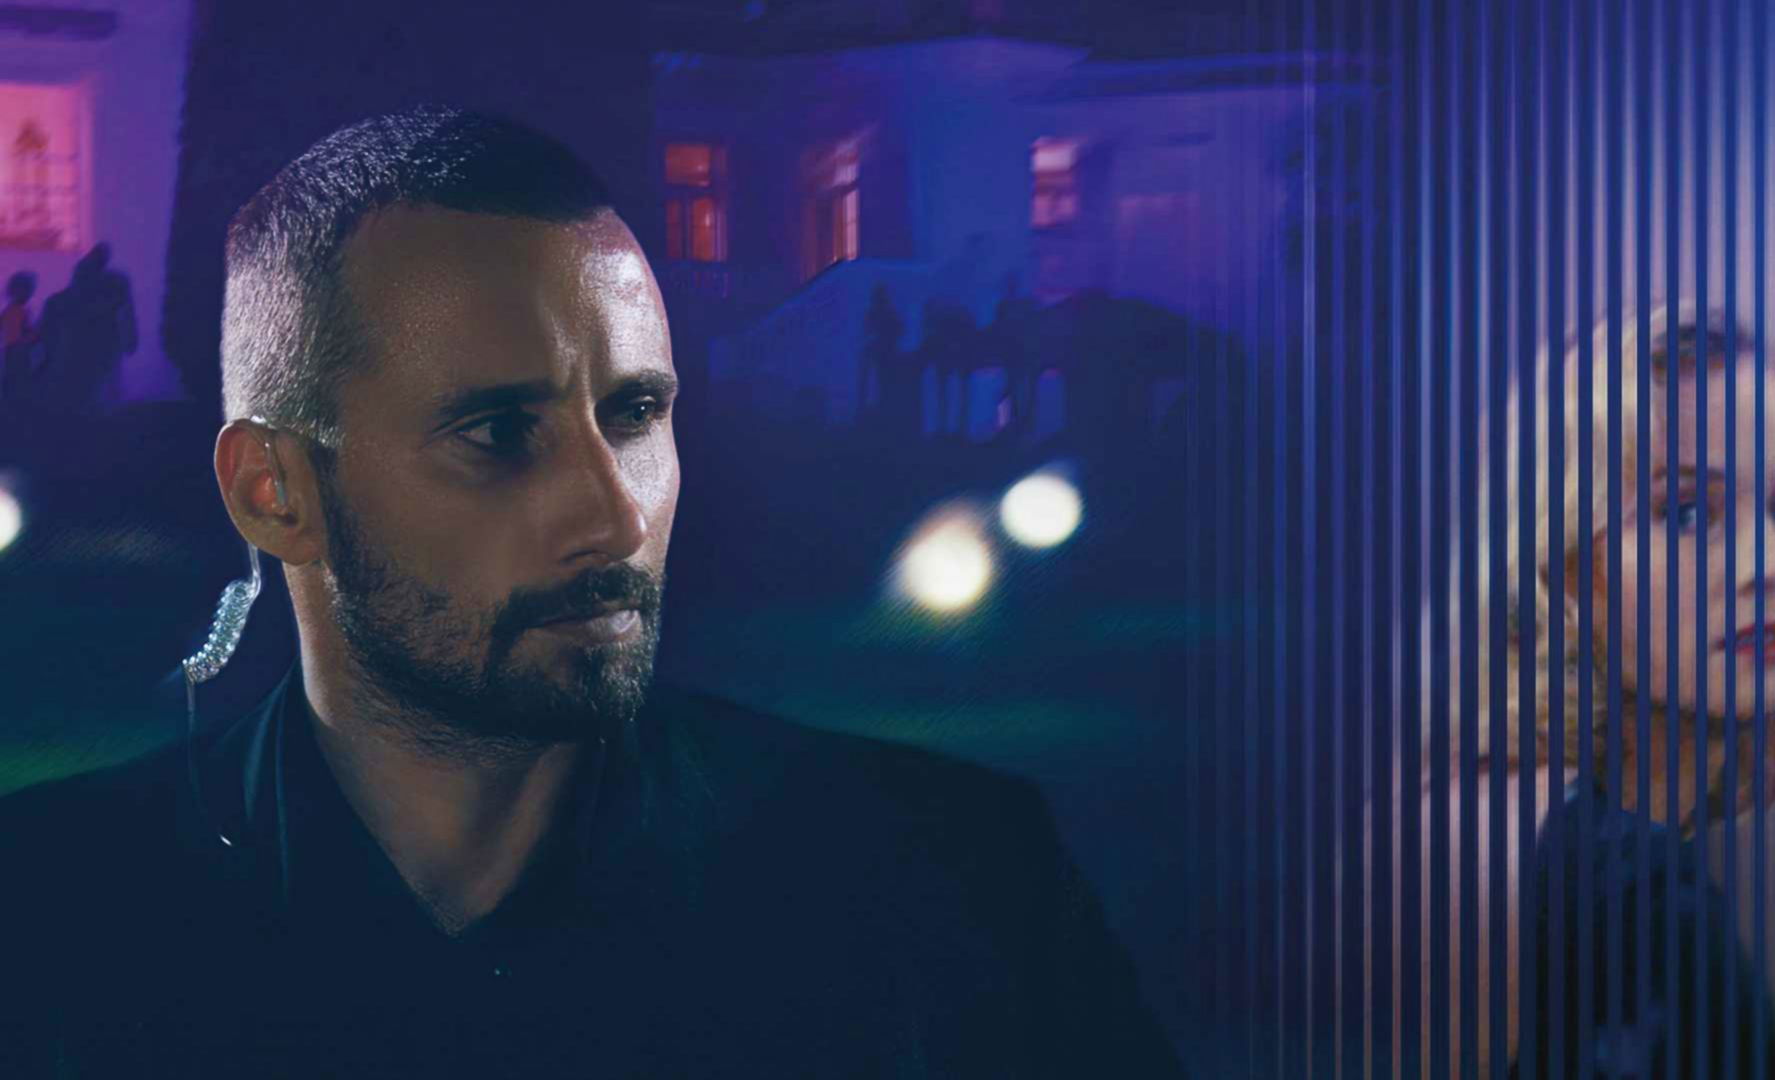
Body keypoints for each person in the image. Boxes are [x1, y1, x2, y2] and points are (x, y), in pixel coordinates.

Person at [0, 107, 1183, 1079]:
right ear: (275, 491)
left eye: (635, 413)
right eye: (499, 432)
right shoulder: (49, 930)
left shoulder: (948, 885)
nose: (615, 517)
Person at [1369, 307, 1775, 1078]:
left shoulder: (1540, 826)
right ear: (1560, 564)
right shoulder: (1605, 876)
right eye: (1687, 513)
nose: (1772, 564)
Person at [35, 242, 137, 415]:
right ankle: (97, 412)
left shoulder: (113, 281)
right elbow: (127, 309)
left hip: (99, 340)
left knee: (99, 382)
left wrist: (130, 337)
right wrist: (131, 338)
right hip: (94, 340)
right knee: (95, 383)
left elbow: (127, 309)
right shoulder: (113, 281)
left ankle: (97, 412)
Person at [0, 269, 38, 407]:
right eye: (27, 288)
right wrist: (35, 336)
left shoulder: (15, 310)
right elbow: (16, 338)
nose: (30, 292)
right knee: (15, 390)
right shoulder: (16, 311)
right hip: (17, 356)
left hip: (14, 355)